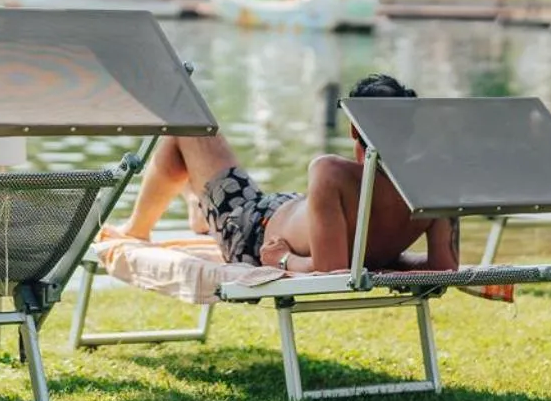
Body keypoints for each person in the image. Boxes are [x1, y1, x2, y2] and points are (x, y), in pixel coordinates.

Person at [112, 74, 458, 275]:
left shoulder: (332, 173)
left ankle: (137, 228)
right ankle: (197, 204)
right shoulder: (434, 182)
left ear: (354, 130)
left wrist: (283, 260)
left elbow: (330, 272)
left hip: (251, 228)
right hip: (284, 209)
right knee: (206, 173)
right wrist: (390, 259)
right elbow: (444, 268)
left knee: (185, 129)